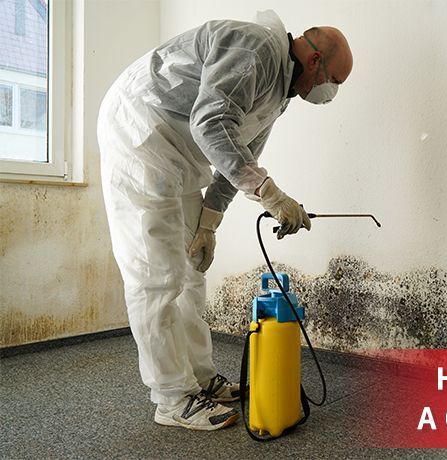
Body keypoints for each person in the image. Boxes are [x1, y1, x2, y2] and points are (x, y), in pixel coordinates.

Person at [97, 10, 353, 430]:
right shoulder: (253, 49)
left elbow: (239, 157)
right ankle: (171, 397)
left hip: (177, 156)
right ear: (314, 62)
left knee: (191, 271)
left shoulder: (280, 94)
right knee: (156, 275)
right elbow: (211, 123)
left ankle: (201, 379)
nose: (330, 92)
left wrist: (208, 225)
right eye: (335, 82)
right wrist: (272, 196)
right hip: (140, 136)